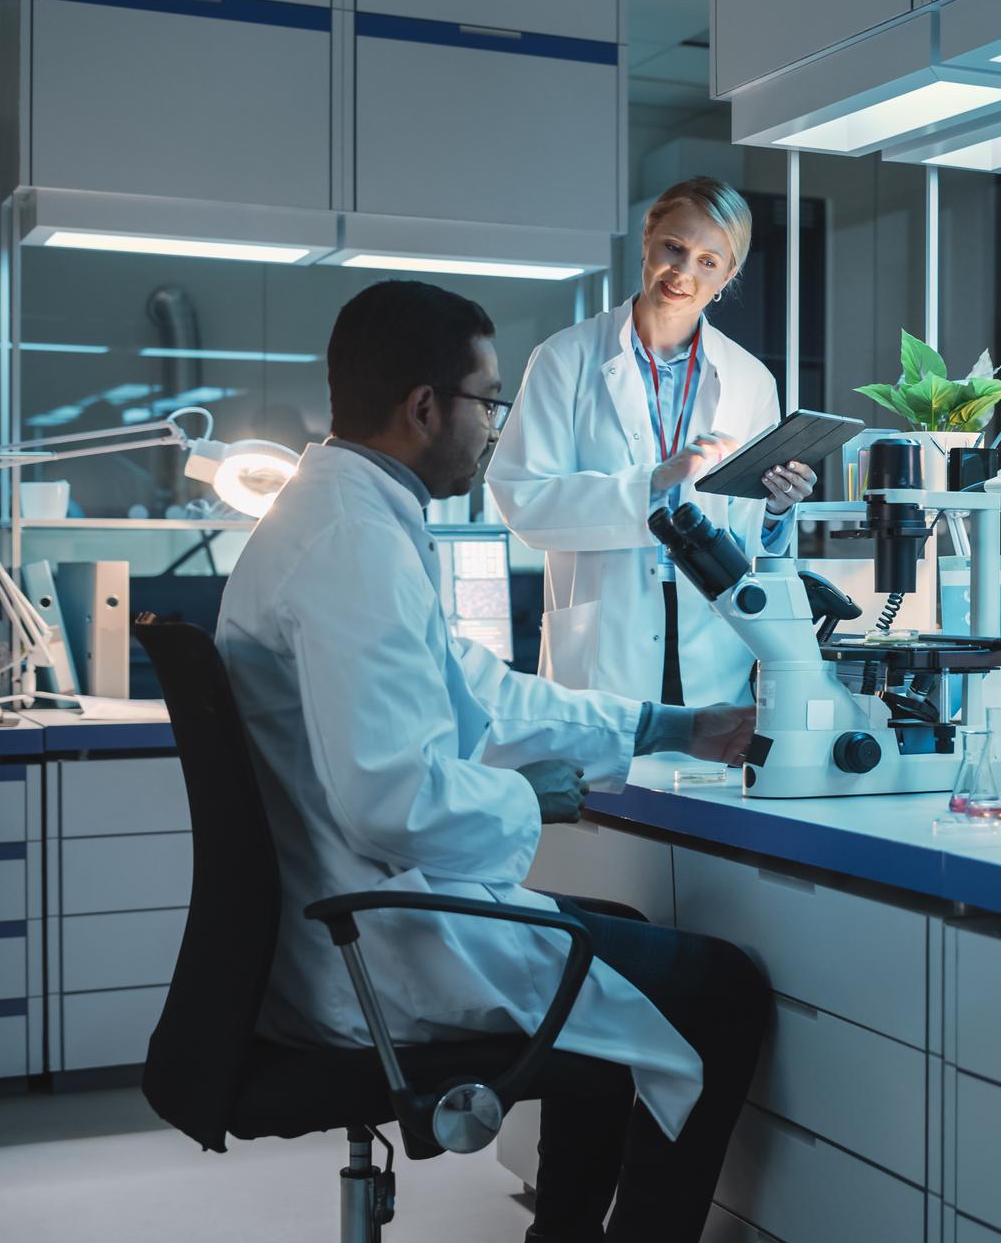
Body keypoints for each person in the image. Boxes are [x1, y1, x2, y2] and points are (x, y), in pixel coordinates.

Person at [216, 279, 770, 1241]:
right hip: (378, 939)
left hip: (354, 913)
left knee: (619, 938)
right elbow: (394, 800)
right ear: (425, 407)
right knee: (725, 992)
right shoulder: (354, 540)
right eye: (490, 401)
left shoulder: (345, 512)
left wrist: (666, 724)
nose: (496, 428)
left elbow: (477, 687)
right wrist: (529, 797)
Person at [488, 176, 817, 706]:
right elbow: (524, 503)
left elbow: (751, 541)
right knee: (607, 785)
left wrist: (777, 507)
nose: (684, 272)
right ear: (648, 238)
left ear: (728, 274)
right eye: (674, 247)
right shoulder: (564, 359)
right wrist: (654, 482)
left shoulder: (751, 379)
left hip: (714, 641)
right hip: (604, 642)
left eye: (709, 261)